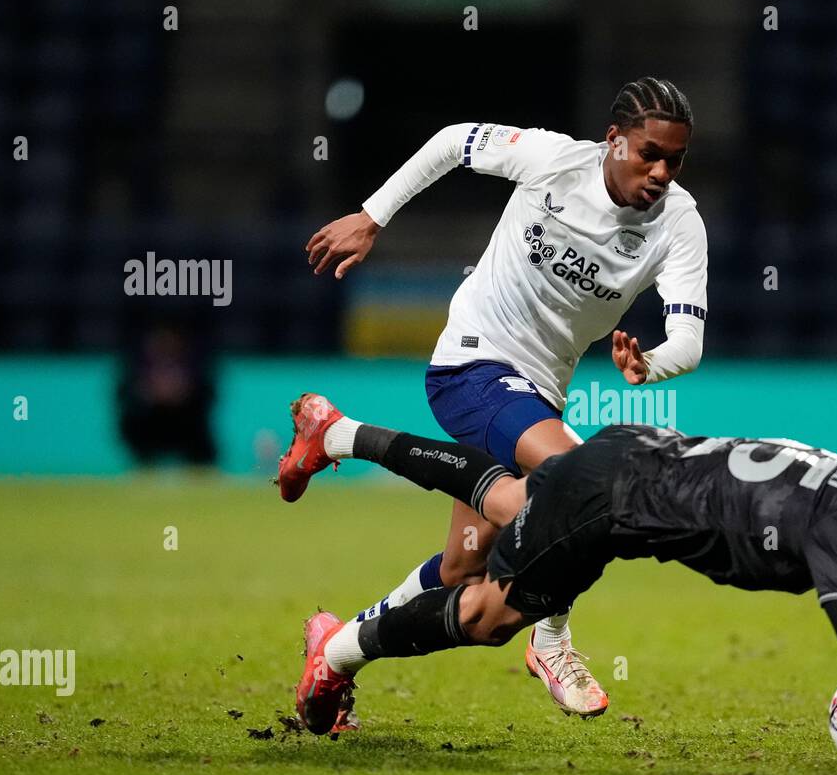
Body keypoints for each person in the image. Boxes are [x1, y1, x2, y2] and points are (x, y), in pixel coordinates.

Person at [289, 405, 837, 775]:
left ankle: (341, 433)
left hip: (634, 456)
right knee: (488, 613)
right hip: (609, 505)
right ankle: (335, 650)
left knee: (511, 500)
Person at [283, 77, 708, 718]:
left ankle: (337, 650)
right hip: (473, 363)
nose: (660, 171)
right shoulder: (553, 161)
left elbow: (689, 340)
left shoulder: (679, 221)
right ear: (613, 139)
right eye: (648, 152)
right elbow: (455, 142)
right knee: (577, 480)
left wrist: (647, 364)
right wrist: (373, 217)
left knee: (462, 573)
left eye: (674, 160)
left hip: (536, 398)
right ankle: (553, 638)